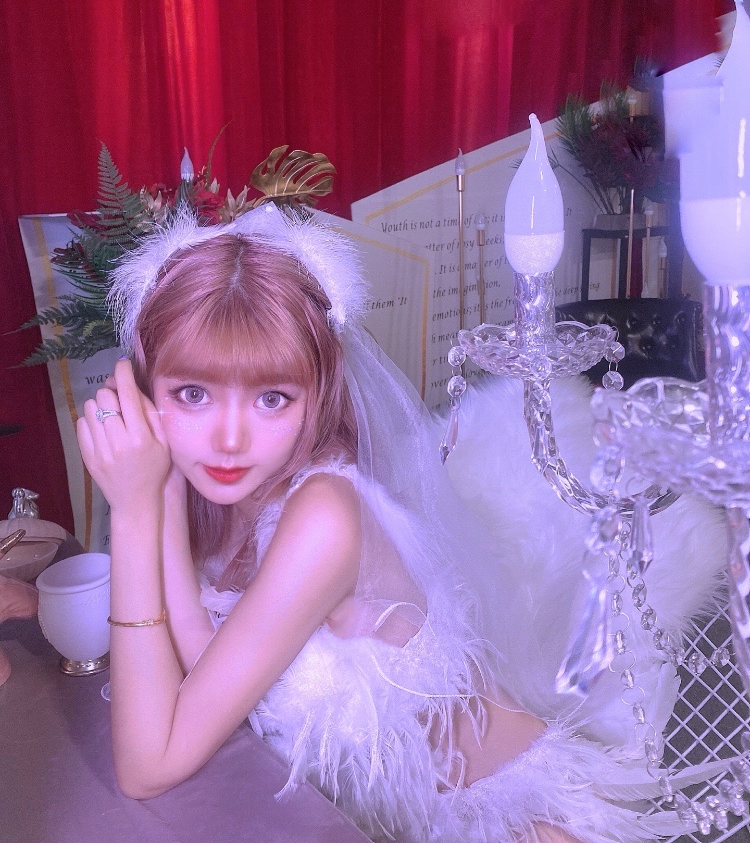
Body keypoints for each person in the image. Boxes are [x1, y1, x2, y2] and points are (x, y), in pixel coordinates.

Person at [76, 204, 706, 842]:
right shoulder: (225, 495)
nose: (229, 439)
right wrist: (157, 494)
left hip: (504, 819)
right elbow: (211, 673)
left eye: (272, 398)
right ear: (145, 394)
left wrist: (132, 511)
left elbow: (148, 767)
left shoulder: (324, 515)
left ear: (318, 396)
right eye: (192, 394)